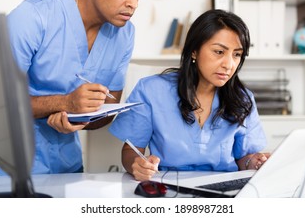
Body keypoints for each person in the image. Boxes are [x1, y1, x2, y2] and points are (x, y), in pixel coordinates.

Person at [0, 0, 145, 175]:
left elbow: (108, 109)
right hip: (9, 168)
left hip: (68, 166)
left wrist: (78, 119)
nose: (133, 3)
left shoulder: (125, 34)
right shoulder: (32, 17)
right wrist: (65, 103)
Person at [109, 9, 271, 181]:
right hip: (169, 187)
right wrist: (138, 165)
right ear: (194, 50)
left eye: (237, 54)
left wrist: (253, 162)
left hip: (223, 191)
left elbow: (243, 158)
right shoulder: (151, 90)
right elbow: (130, 151)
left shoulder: (243, 98)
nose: (229, 64)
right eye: (219, 52)